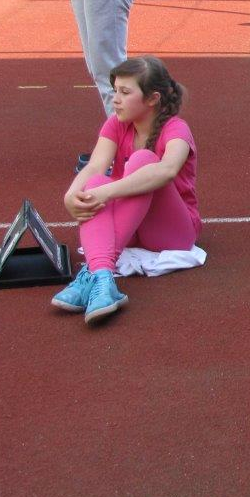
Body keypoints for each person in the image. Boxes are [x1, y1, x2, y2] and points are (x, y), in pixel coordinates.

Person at [52, 56, 199, 325]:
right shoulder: (116, 124)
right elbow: (95, 166)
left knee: (143, 161)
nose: (115, 99)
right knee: (95, 183)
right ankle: (101, 277)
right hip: (130, 226)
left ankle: (94, 272)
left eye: (125, 92)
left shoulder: (177, 129)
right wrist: (71, 195)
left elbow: (167, 170)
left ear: (152, 99)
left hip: (171, 233)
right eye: (114, 91)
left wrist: (108, 193)